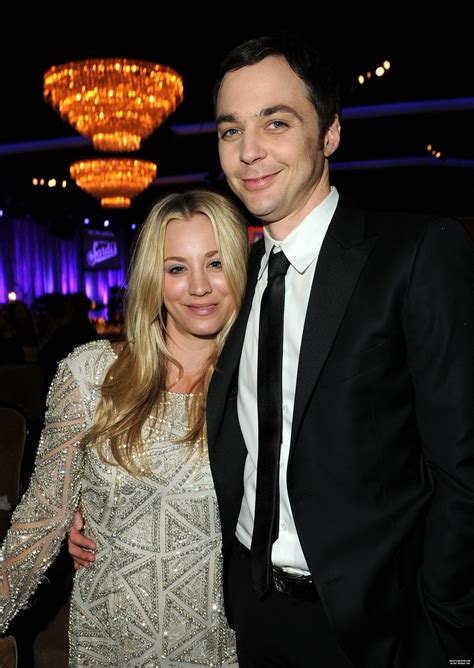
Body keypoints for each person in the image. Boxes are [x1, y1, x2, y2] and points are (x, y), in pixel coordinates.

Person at [69, 34, 474, 667]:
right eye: (232, 131)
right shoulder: (234, 284)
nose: (250, 152)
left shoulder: (416, 254)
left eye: (276, 123)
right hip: (247, 620)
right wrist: (108, 517)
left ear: (330, 133)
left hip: (380, 630)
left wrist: (450, 640)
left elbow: (463, 470)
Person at [0, 189, 248, 666]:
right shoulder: (91, 375)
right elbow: (40, 521)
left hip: (222, 646)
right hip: (110, 640)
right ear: (154, 279)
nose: (199, 286)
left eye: (215, 263)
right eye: (177, 268)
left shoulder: (262, 388)